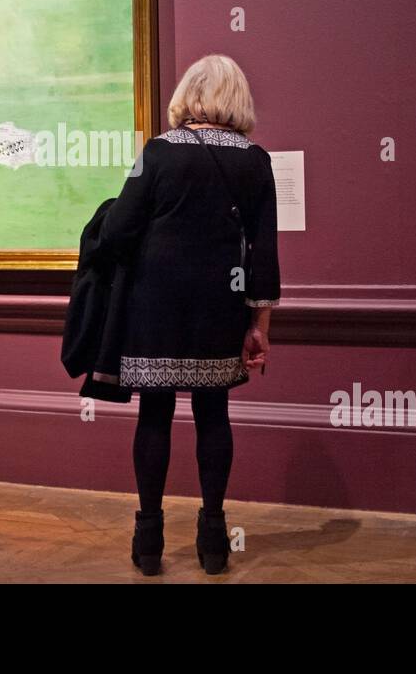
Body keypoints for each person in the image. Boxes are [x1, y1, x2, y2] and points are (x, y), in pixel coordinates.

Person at [98, 53, 280, 575]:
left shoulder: (155, 153)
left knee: (154, 415)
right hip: (220, 309)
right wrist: (259, 329)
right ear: (236, 99)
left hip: (155, 308)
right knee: (213, 415)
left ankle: (149, 541)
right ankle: (214, 541)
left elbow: (117, 233)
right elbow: (263, 255)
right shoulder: (256, 161)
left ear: (188, 94)